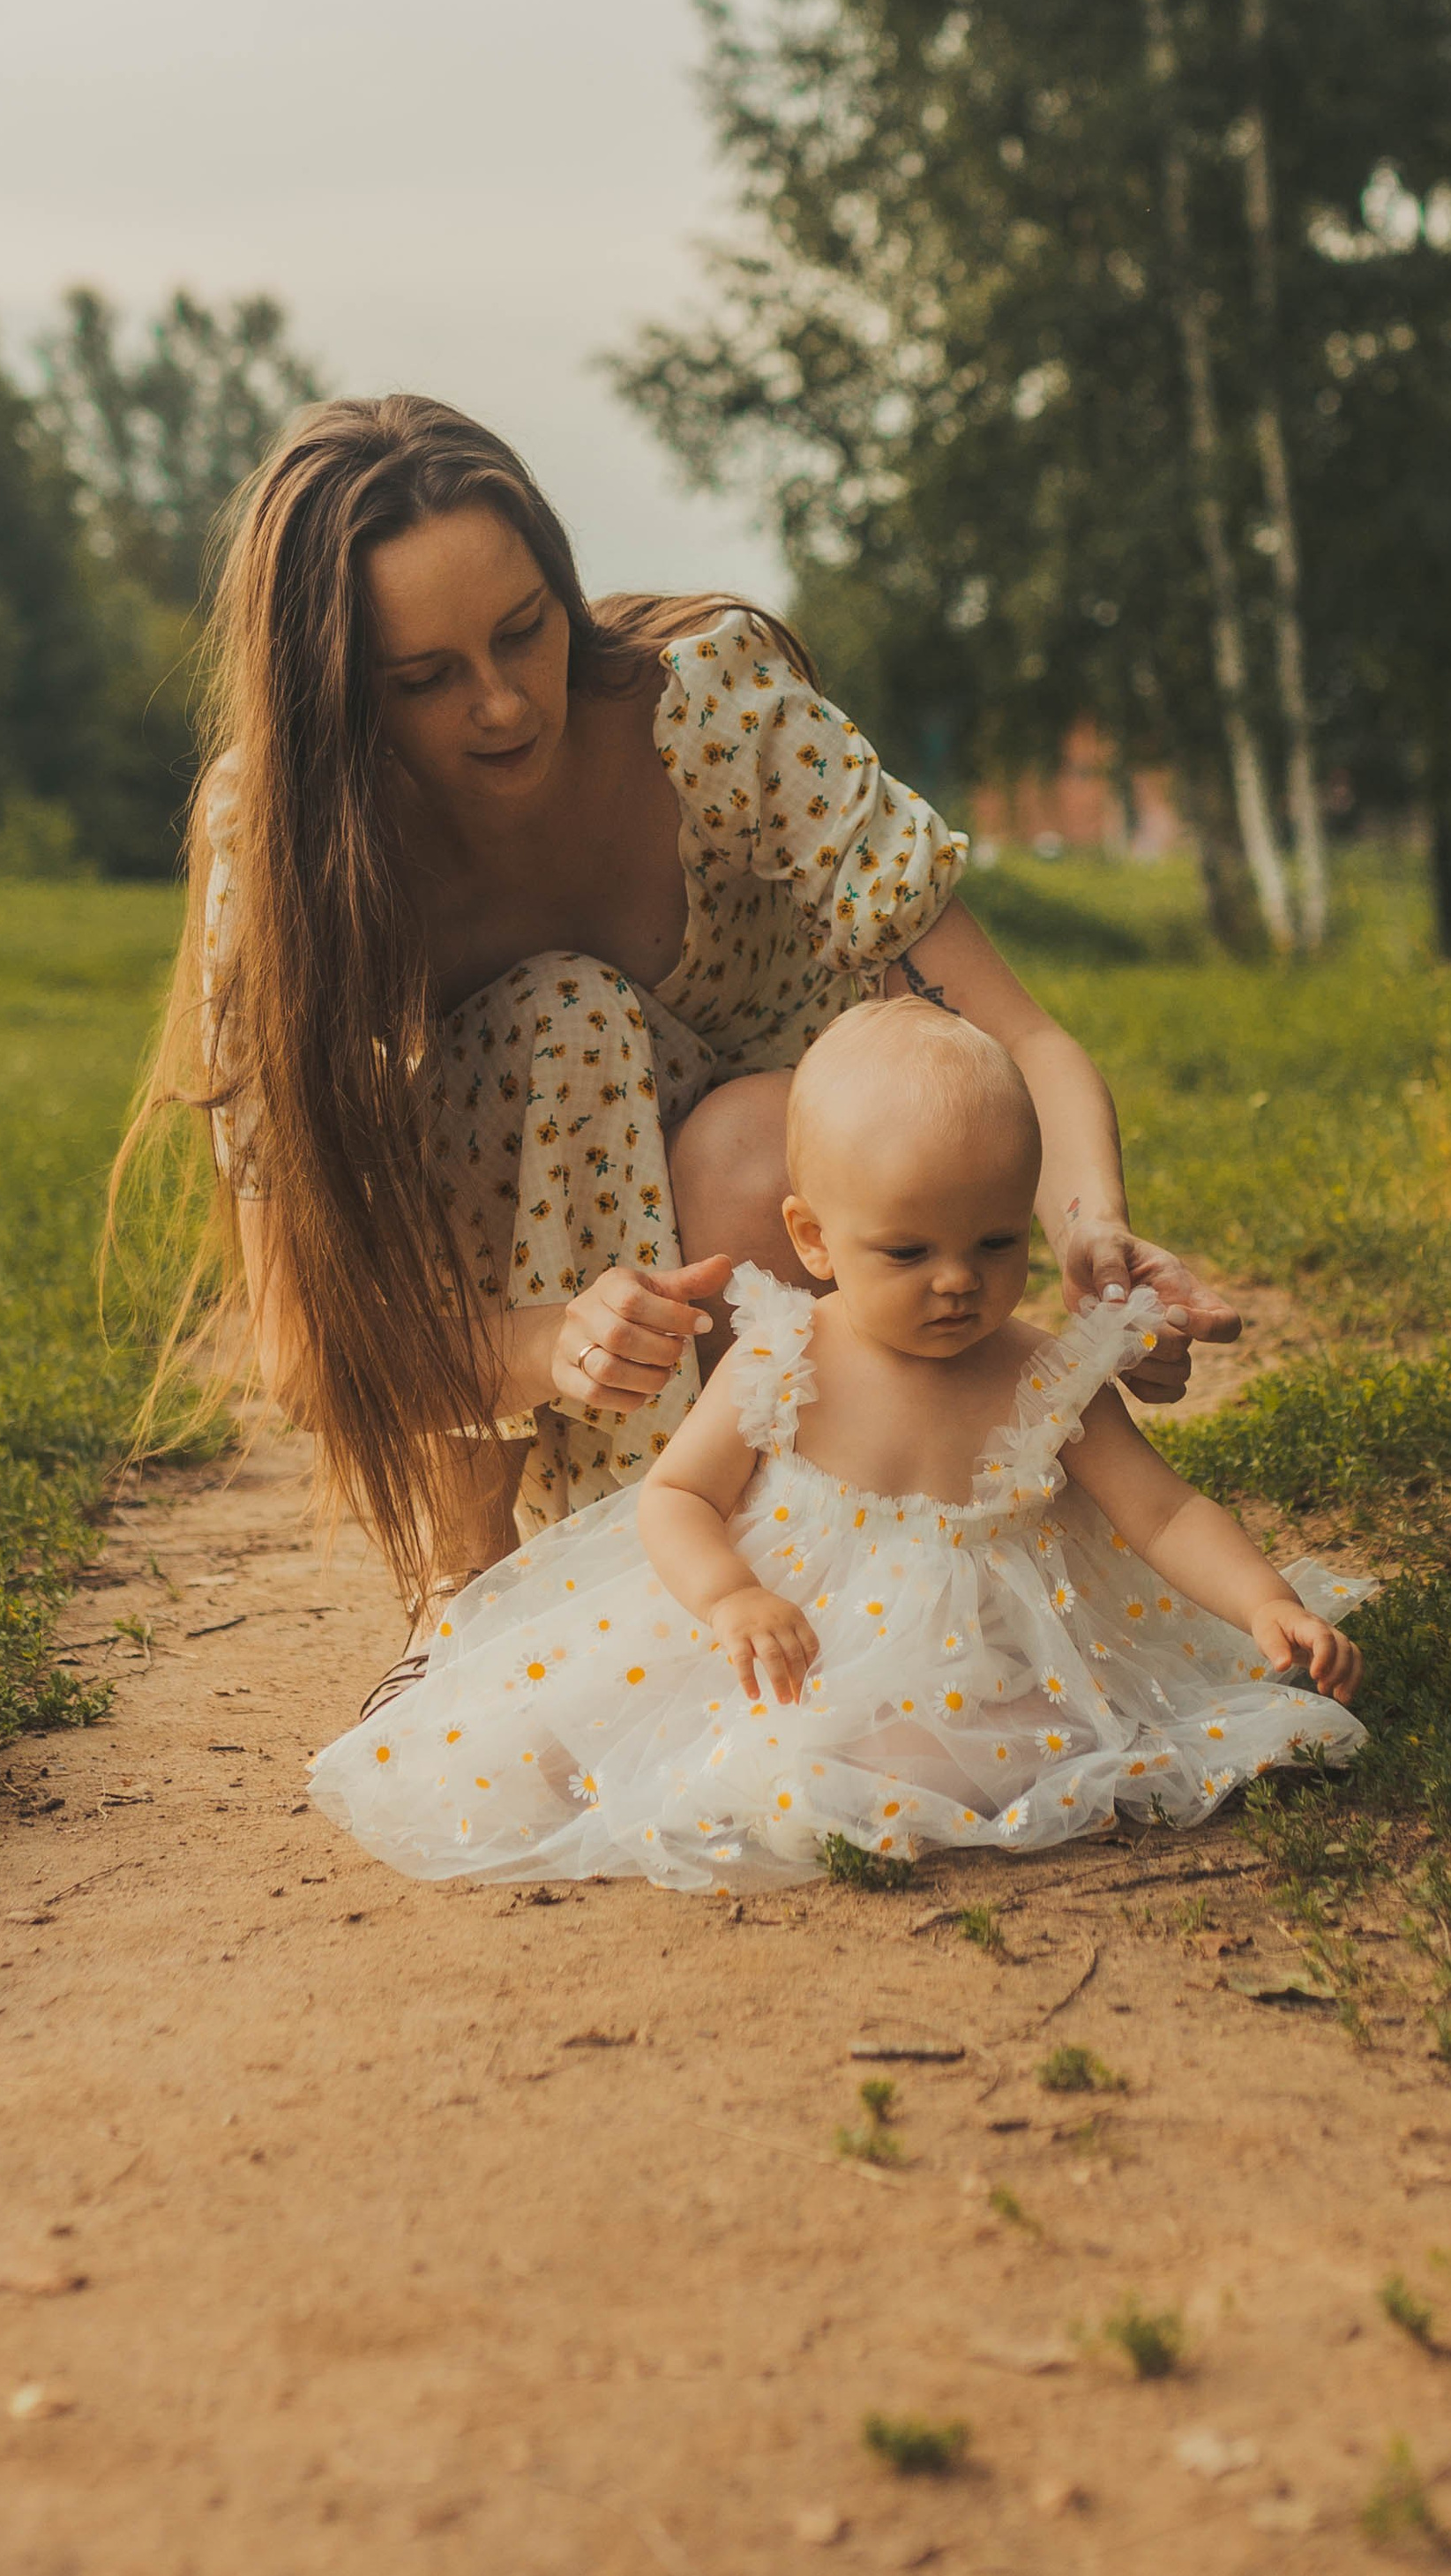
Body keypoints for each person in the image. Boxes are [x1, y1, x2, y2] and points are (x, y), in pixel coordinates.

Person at [124, 389, 1239, 1704]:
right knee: (562, 1015)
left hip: (791, 1250)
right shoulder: (288, 848)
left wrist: (1094, 1237)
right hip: (535, 1313)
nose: (500, 706)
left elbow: (1020, 1038)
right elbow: (301, 1349)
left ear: (563, 588)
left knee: (752, 1142)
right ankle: (470, 1588)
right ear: (333, 705)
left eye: (525, 633)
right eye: (424, 681)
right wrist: (555, 1344)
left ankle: (822, 1556)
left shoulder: (711, 707)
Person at [307, 999, 1367, 1889]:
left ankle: (958, 1778)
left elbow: (1162, 1509)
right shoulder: (783, 1352)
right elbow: (675, 1498)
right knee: (623, 1737)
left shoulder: (1044, 1373)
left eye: (995, 1242)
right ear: (812, 1236)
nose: (957, 1280)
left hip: (989, 1645)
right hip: (802, 1635)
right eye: (907, 1250)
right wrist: (730, 1597)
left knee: (1014, 1743)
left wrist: (1263, 1601)